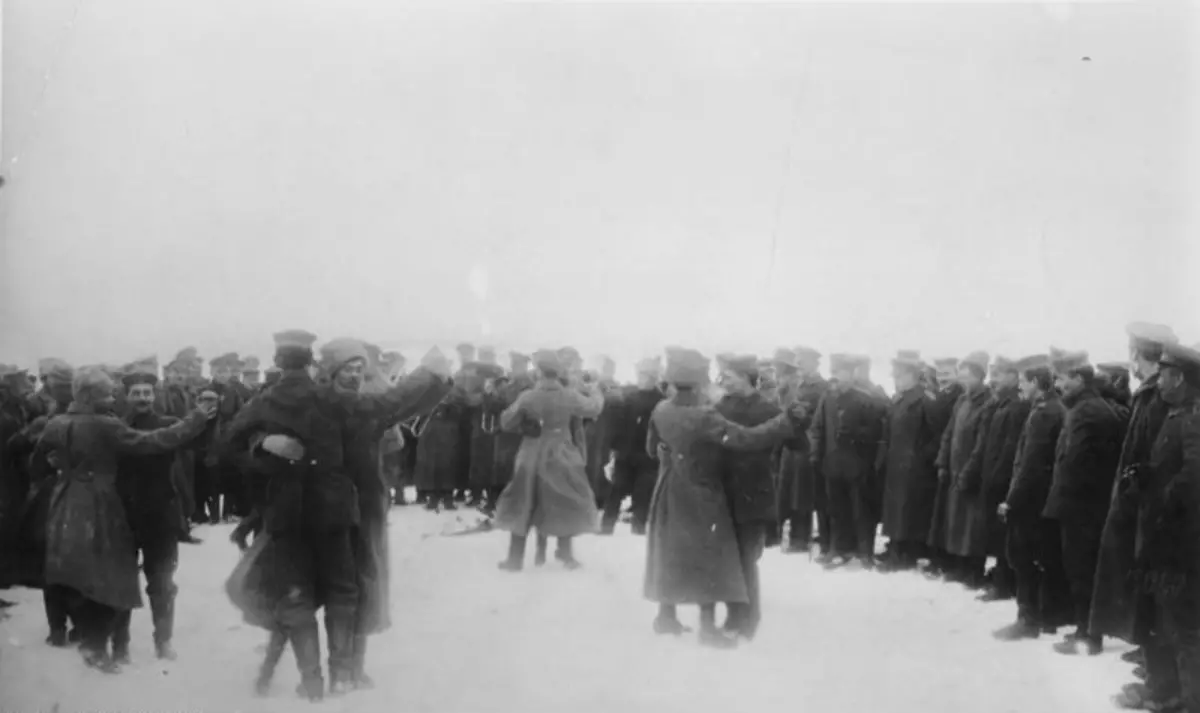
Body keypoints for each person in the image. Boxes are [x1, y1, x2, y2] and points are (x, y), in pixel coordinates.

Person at [33, 366, 213, 673]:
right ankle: (103, 646)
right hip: (104, 506)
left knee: (91, 575)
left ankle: (105, 643)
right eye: (109, 392)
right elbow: (151, 442)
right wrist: (196, 418)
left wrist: (63, 471)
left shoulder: (57, 422)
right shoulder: (107, 425)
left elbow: (36, 463)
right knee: (111, 579)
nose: (113, 396)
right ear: (93, 395)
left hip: (67, 503)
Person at [643, 348, 805, 648]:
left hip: (669, 488)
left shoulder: (661, 409)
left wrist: (672, 456)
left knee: (670, 552)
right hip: (702, 491)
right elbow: (745, 439)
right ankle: (707, 628)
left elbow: (652, 449)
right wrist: (784, 423)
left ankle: (666, 616)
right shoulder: (704, 414)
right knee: (709, 556)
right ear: (699, 381)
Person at [111, 358, 205, 663]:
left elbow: (200, 443)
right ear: (127, 395)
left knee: (162, 582)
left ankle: (163, 641)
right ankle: (120, 645)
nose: (142, 398)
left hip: (160, 513)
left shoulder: (166, 424)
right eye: (136, 392)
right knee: (121, 582)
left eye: (147, 393)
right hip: (123, 514)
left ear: (154, 395)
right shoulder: (116, 427)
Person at [493, 349, 603, 571]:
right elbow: (593, 408)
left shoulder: (528, 396)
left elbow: (506, 422)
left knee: (523, 501)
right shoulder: (568, 395)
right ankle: (566, 553)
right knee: (564, 500)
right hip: (562, 451)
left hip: (532, 453)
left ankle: (515, 559)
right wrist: (596, 392)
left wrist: (526, 425)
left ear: (540, 372)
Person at [714, 354, 782, 639]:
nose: (723, 382)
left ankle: (748, 620)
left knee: (746, 560)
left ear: (745, 377)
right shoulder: (721, 405)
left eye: (728, 377)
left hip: (753, 492)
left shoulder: (767, 408)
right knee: (728, 560)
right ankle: (732, 616)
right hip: (725, 492)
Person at [877, 351, 940, 572]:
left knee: (908, 511)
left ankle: (904, 554)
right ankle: (895, 546)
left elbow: (936, 436)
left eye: (899, 375)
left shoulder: (925, 401)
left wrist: (920, 458)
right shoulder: (899, 399)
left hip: (915, 468)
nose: (895, 379)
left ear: (912, 375)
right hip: (896, 464)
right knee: (895, 509)